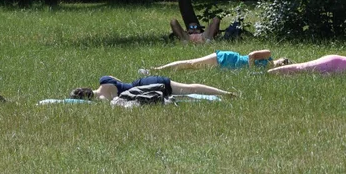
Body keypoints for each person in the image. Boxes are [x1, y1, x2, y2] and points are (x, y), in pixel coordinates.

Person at [70, 75, 236, 101]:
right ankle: (225, 93)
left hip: (146, 89)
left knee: (188, 92)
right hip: (142, 82)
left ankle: (225, 94)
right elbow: (121, 82)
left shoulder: (102, 100)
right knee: (190, 87)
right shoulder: (104, 79)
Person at [142, 50, 291, 73]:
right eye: (284, 61)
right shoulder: (268, 55)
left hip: (228, 68)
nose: (281, 64)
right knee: (192, 63)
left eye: (285, 65)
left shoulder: (268, 71)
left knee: (192, 68)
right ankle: (155, 70)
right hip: (228, 58)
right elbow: (251, 55)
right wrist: (249, 69)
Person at [267, 55, 346, 77]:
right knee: (302, 68)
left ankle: (275, 76)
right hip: (340, 63)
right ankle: (268, 73)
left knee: (304, 76)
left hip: (341, 74)